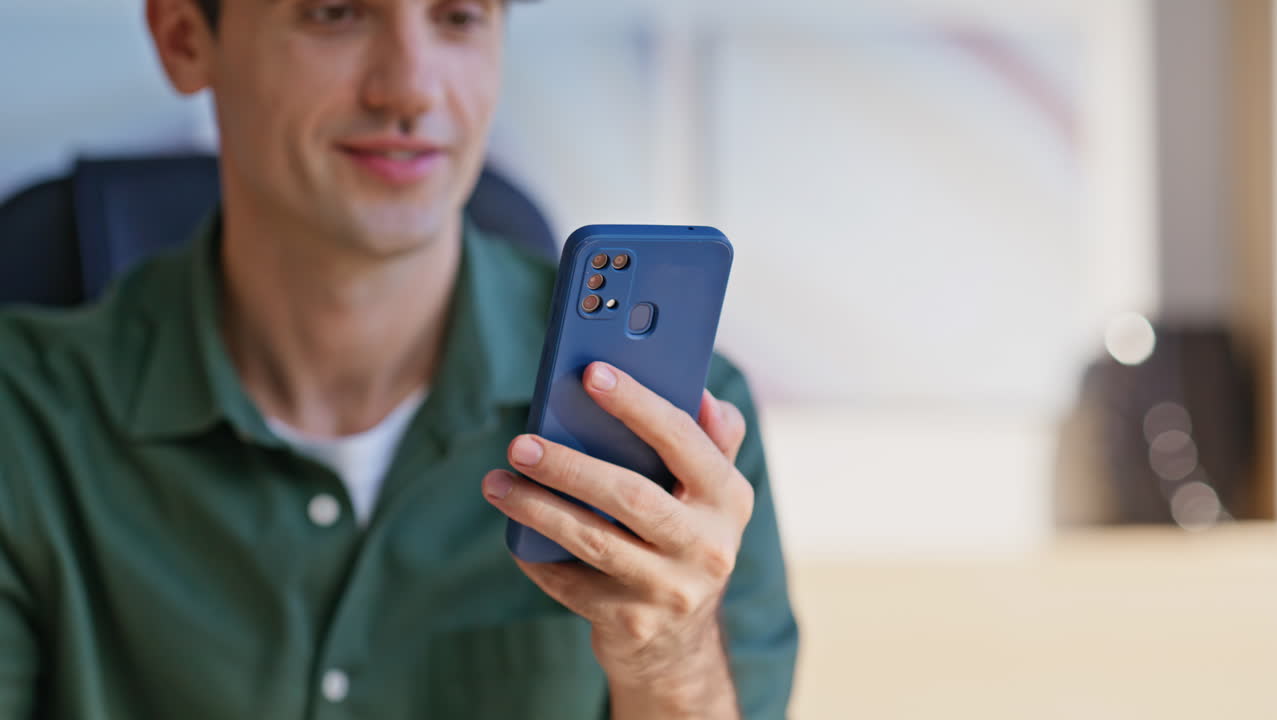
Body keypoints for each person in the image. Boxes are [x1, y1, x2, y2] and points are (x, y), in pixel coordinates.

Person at [0, 0, 797, 717]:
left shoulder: (681, 428)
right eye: (335, 14)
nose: (411, 90)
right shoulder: (21, 423)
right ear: (183, 38)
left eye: (458, 18)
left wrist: (668, 660)